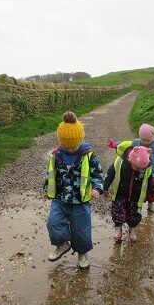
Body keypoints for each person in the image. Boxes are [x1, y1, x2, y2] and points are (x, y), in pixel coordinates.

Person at [44, 111, 104, 269]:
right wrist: (47, 187)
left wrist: (97, 188)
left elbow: (98, 174)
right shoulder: (56, 155)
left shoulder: (88, 155)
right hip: (60, 199)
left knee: (81, 230)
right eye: (66, 146)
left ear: (80, 139)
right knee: (53, 223)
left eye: (73, 146)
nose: (70, 149)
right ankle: (62, 244)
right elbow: (51, 174)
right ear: (60, 141)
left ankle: (82, 253)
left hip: (80, 201)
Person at [103, 145, 154, 242]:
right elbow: (110, 174)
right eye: (136, 167)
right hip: (119, 194)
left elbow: (149, 180)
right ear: (130, 160)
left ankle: (132, 230)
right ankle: (118, 230)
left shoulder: (146, 167)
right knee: (117, 212)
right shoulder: (120, 162)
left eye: (141, 168)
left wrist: (153, 191)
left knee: (134, 214)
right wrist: (105, 187)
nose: (138, 169)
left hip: (135, 196)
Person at [107, 123, 154, 212]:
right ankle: (134, 204)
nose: (145, 142)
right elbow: (124, 145)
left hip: (151, 172)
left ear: (152, 138)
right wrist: (116, 145)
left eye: (147, 140)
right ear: (140, 137)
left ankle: (151, 204)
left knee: (151, 189)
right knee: (137, 187)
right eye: (143, 140)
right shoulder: (135, 142)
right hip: (136, 170)